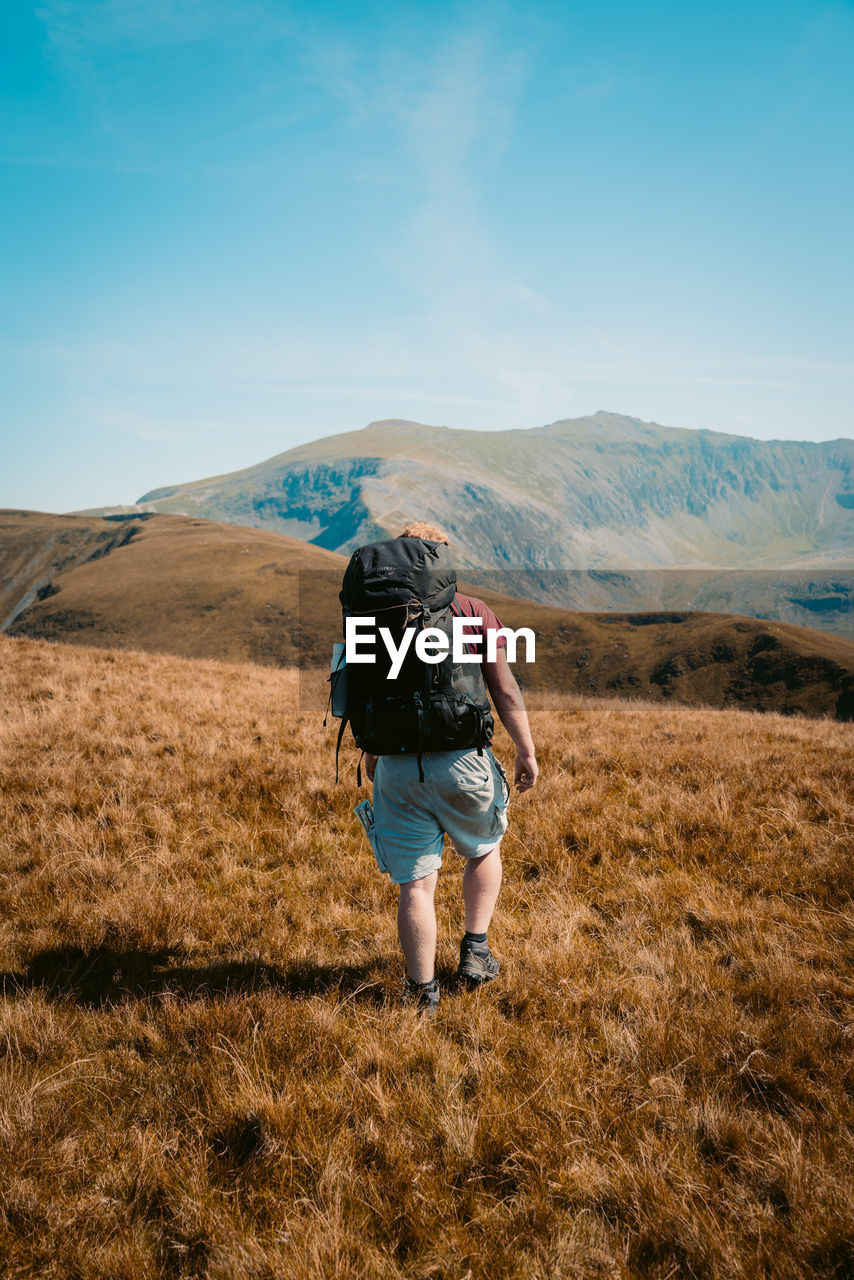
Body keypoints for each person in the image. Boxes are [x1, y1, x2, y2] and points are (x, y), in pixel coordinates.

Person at [363, 522, 538, 1015]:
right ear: (440, 559)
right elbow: (503, 689)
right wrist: (526, 749)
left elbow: (366, 696)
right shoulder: (473, 611)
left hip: (396, 768)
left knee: (416, 884)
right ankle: (476, 951)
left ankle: (422, 994)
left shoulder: (376, 615)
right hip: (463, 761)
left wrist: (374, 756)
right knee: (484, 849)